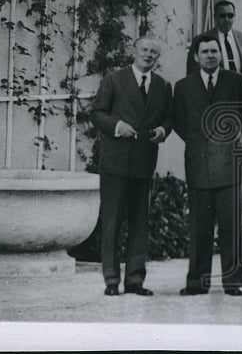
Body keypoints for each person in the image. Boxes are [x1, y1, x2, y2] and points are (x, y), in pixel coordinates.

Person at [90, 35, 172, 297]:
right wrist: (117, 126)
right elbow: (97, 113)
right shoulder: (114, 80)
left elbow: (168, 118)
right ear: (134, 51)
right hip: (116, 163)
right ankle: (112, 280)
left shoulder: (162, 85)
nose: (148, 55)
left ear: (157, 58)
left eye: (154, 53)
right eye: (144, 50)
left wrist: (163, 129)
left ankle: (135, 279)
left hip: (143, 161)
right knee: (112, 223)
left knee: (140, 223)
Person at [174, 33, 242, 296]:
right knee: (200, 228)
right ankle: (197, 282)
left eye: (214, 51)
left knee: (232, 229)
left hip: (230, 165)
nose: (210, 55)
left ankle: (233, 283)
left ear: (220, 54)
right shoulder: (183, 87)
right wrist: (202, 145)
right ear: (196, 57)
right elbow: (180, 123)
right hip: (198, 166)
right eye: (205, 52)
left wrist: (225, 141)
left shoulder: (236, 81)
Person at [187, 0, 242, 92]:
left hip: (239, 96)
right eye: (222, 16)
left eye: (230, 16)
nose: (226, 20)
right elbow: (192, 75)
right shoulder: (201, 40)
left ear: (234, 16)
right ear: (215, 17)